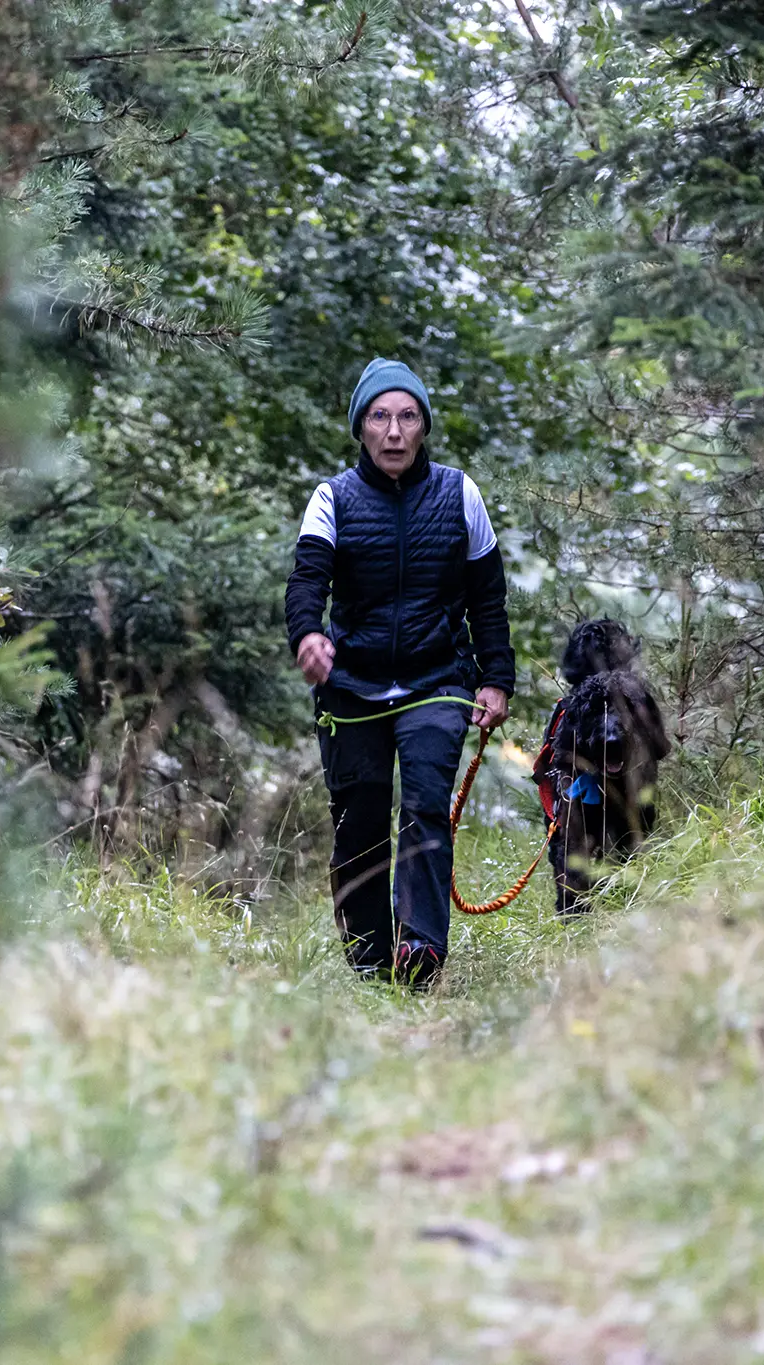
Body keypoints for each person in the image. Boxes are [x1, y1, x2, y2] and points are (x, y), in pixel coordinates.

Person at [285, 359, 515, 987]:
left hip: (436, 682)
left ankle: (419, 953)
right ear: (361, 426)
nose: (393, 431)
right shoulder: (332, 498)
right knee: (357, 823)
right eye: (380, 417)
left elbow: (487, 600)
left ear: (423, 427)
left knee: (423, 807)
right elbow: (308, 581)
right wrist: (309, 635)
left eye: (407, 416)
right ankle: (367, 962)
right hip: (350, 687)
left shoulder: (460, 494)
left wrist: (495, 680)